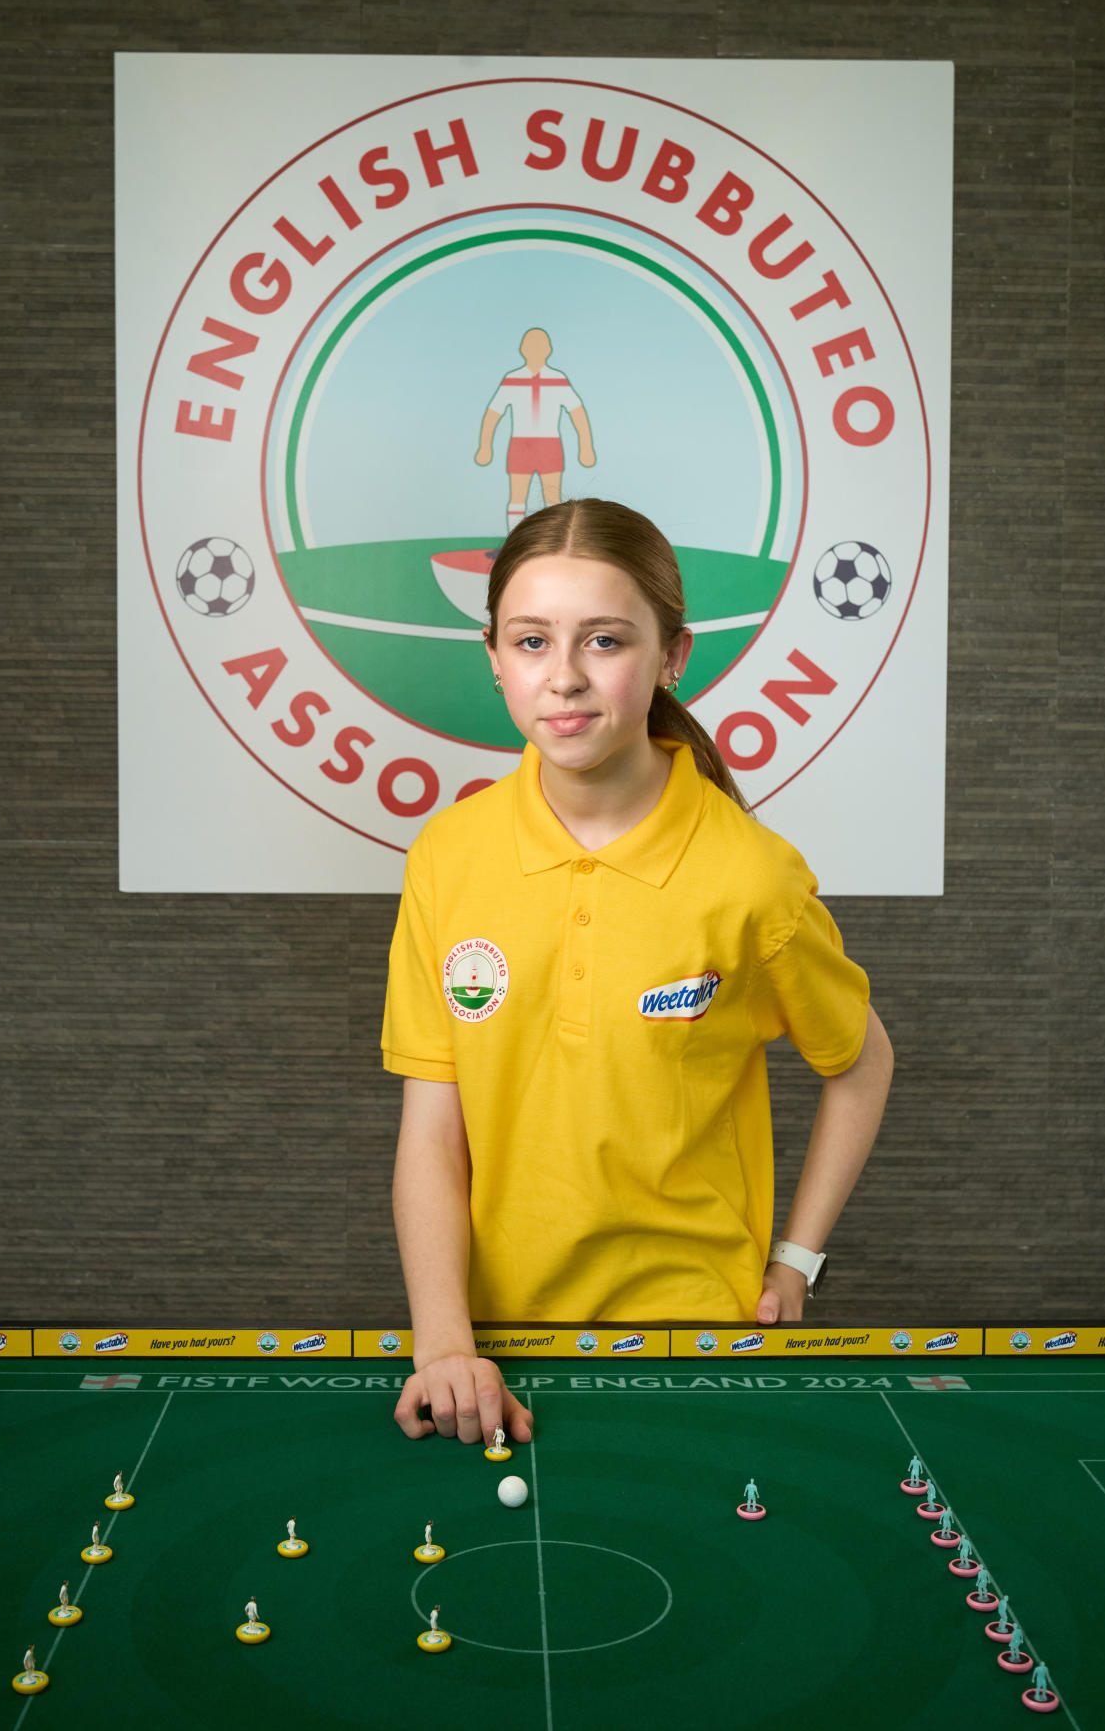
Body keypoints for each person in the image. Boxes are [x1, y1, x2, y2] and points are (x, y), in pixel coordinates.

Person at [384, 499, 894, 1447]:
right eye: (532, 640)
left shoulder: (750, 875)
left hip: (696, 1342)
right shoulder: (448, 857)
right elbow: (431, 1129)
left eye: (605, 640)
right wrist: (446, 1341)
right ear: (493, 655)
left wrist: (795, 1264)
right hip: (497, 1350)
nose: (565, 676)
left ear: (670, 657)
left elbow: (862, 1064)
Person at [475, 329, 595, 532]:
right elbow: (493, 414)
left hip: (550, 446)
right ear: (523, 349)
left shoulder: (558, 380)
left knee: (553, 499)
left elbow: (577, 413)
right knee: (517, 497)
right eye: (531, 345)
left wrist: (586, 447)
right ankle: (512, 545)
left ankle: (553, 542)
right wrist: (485, 446)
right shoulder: (512, 379)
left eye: (541, 345)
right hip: (520, 445)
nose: (536, 350)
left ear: (548, 349)